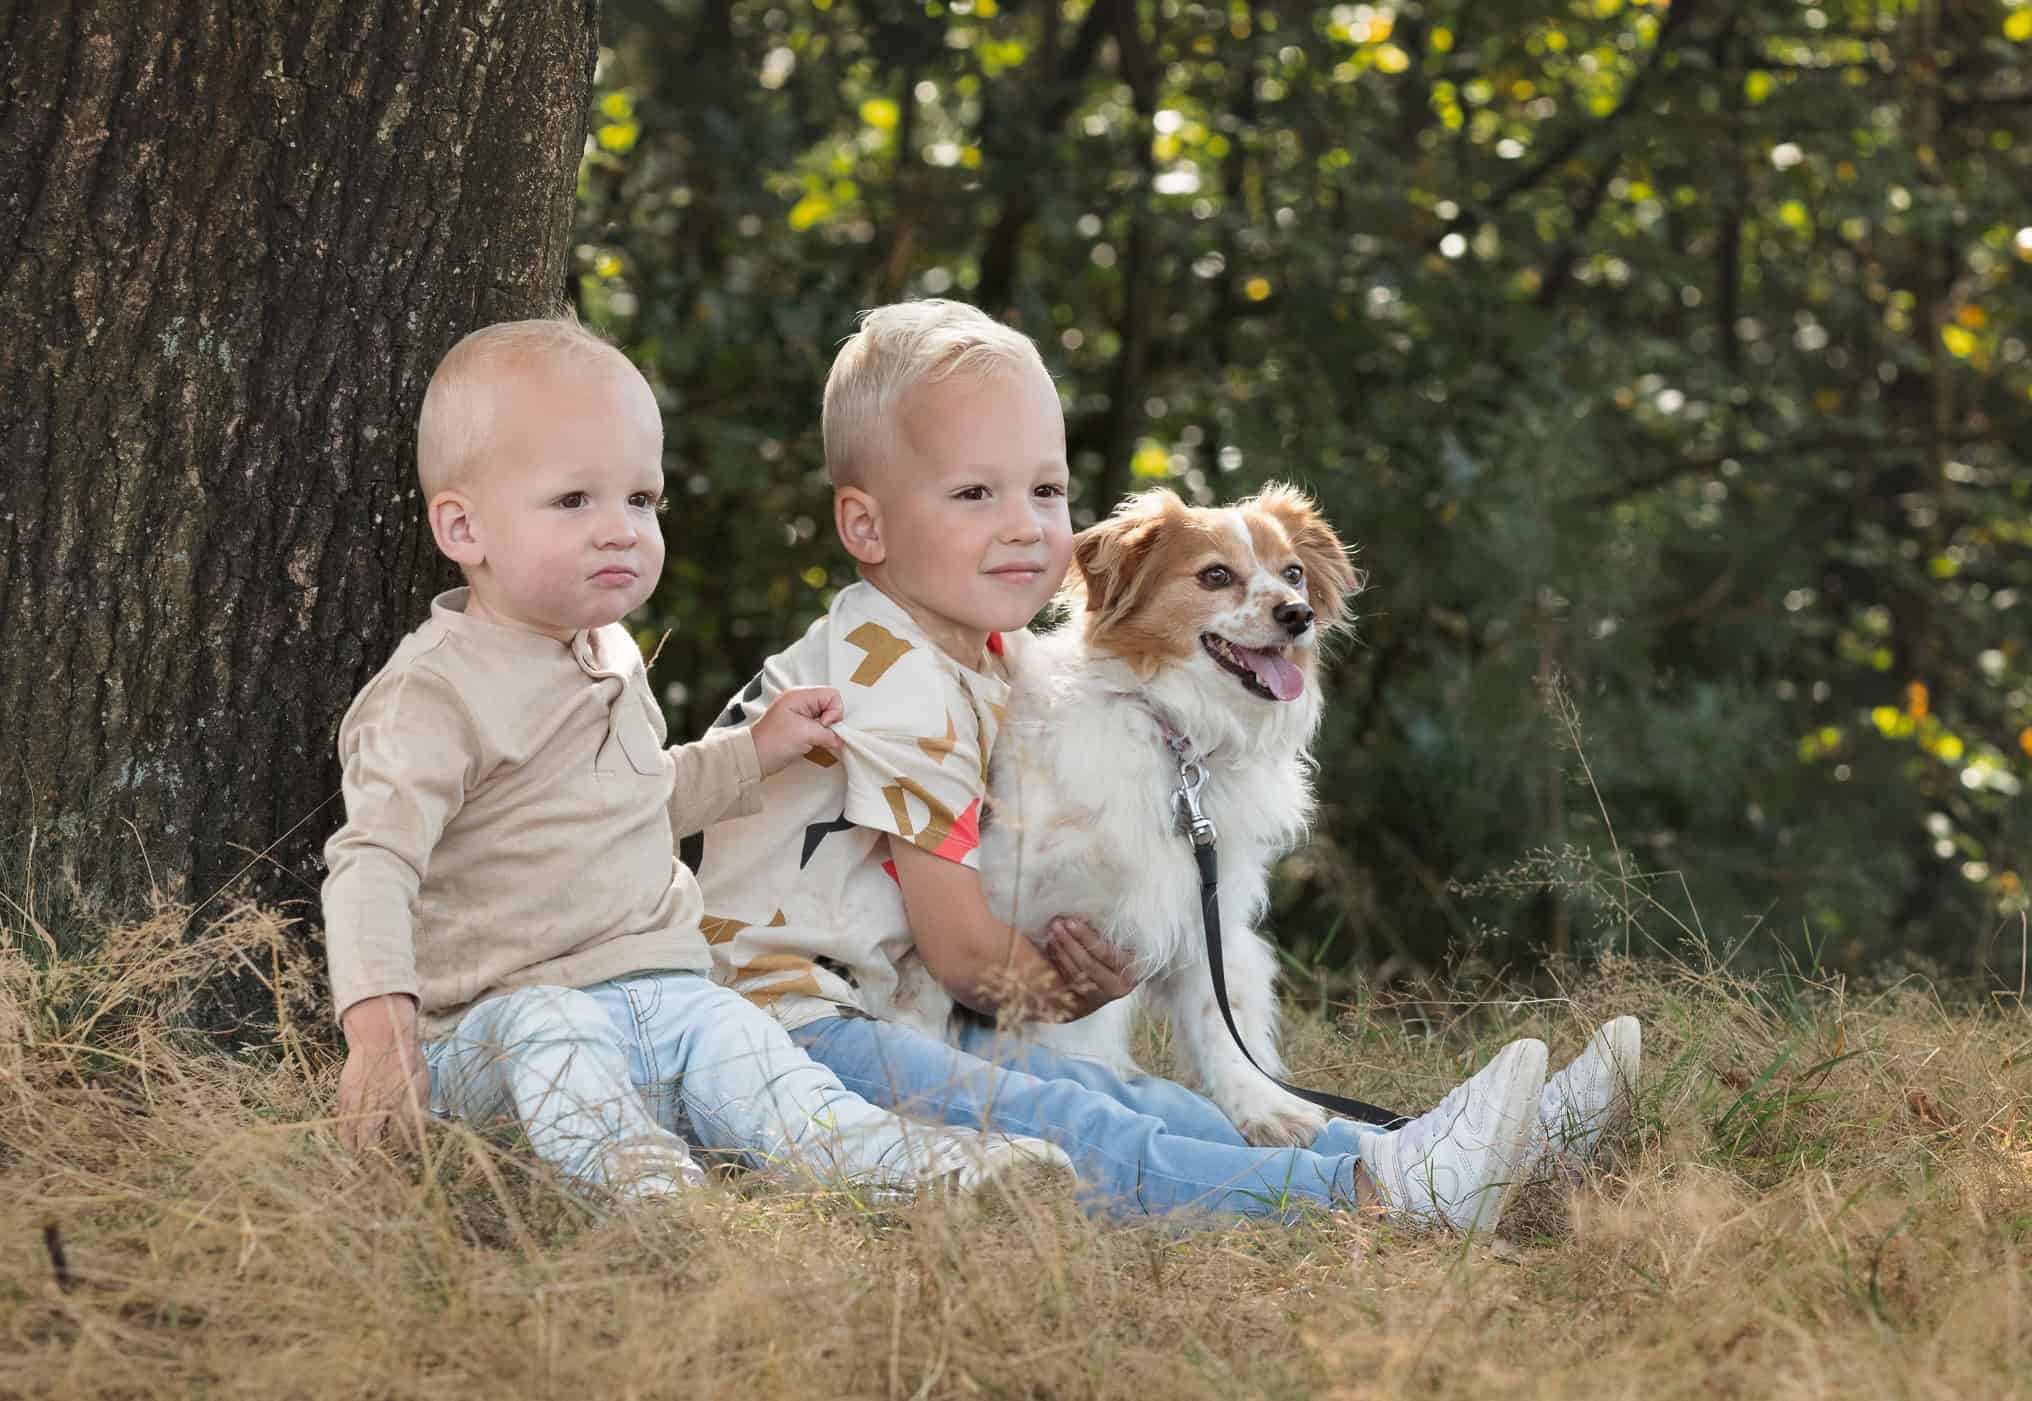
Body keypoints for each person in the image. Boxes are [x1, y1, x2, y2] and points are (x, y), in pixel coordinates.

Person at [692, 298, 1641, 1233]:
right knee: (1088, 1125)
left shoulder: (965, 654)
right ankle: (1382, 1194)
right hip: (790, 1036)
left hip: (871, 1020)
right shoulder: (900, 683)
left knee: (1137, 1100)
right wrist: (1079, 989)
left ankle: (1449, 1153)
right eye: (976, 493)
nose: (1027, 526)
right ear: (866, 527)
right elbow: (970, 959)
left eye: (1047, 491)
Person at [320, 311, 1068, 1200]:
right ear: (463, 527)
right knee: (554, 1030)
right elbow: (371, 863)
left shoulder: (607, 653)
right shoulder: (435, 694)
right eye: (574, 500)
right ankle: (641, 1190)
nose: (620, 530)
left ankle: (917, 1172)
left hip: (662, 997)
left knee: (760, 1054)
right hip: (496, 1027)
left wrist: (755, 750)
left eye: (641, 500)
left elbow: (636, 803)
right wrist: (379, 1032)